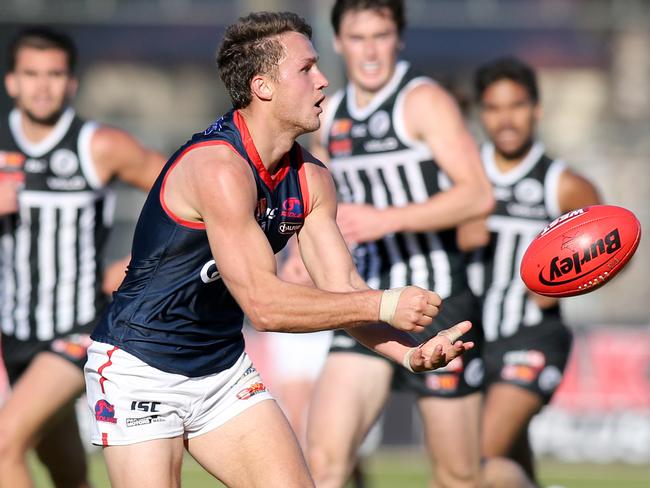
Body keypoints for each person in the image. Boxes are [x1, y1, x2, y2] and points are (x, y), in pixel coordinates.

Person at [82, 11, 476, 487]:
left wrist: (410, 354)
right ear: (263, 87)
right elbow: (264, 305)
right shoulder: (218, 169)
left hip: (220, 369)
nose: (324, 80)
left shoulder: (311, 178)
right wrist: (387, 303)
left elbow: (343, 289)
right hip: (139, 364)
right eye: (307, 69)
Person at [303, 2, 504, 487]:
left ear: (399, 39)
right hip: (366, 302)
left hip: (437, 301)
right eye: (358, 37)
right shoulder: (329, 116)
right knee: (323, 462)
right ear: (338, 42)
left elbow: (478, 193)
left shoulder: (423, 101)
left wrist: (387, 219)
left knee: (458, 476)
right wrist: (298, 257)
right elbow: (319, 206)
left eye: (381, 35)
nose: (370, 50)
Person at [0, 26, 166, 488]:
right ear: (11, 81)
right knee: (67, 471)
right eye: (31, 74)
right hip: (15, 335)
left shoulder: (100, 145)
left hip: (78, 328)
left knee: (3, 447)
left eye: (54, 74)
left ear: (72, 82)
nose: (42, 85)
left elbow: (187, 191)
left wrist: (138, 265)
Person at [469, 57, 602, 486]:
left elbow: (614, 249)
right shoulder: (463, 175)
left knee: (479, 460)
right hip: (472, 337)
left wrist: (570, 281)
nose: (505, 119)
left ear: (536, 109)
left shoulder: (563, 184)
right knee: (507, 459)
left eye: (516, 105)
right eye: (493, 107)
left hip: (533, 335)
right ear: (481, 113)